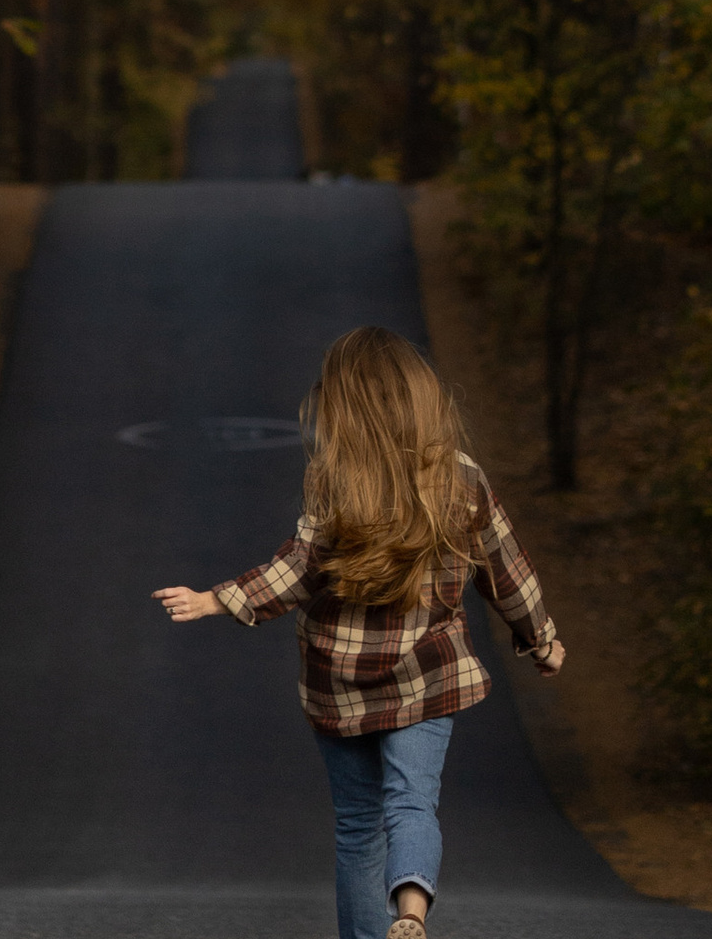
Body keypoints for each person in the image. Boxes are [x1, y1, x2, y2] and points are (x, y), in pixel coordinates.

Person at [153, 325, 565, 939]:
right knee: (412, 803)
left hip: (339, 687)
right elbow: (506, 571)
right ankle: (411, 912)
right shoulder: (461, 478)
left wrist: (218, 599)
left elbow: (296, 569)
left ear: (344, 406)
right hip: (429, 678)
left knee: (357, 824)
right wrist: (542, 640)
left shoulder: (336, 480)